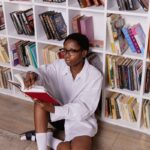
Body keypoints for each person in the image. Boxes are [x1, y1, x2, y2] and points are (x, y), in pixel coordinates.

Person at [23, 33, 103, 150]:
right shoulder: (59, 65)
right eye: (64, 50)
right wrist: (34, 75)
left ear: (84, 53)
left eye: (72, 51)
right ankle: (42, 148)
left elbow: (85, 109)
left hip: (80, 120)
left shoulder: (95, 76)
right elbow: (43, 72)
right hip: (57, 117)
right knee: (39, 102)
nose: (66, 55)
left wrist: (54, 109)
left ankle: (50, 139)